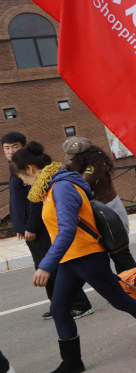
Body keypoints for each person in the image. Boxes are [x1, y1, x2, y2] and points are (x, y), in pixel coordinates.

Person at [11, 142, 136, 373]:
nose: (22, 182)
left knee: (119, 300)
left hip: (87, 256)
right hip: (71, 259)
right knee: (59, 309)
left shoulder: (62, 187)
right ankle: (72, 361)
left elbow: (67, 230)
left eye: (20, 176)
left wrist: (46, 264)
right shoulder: (51, 187)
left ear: (30, 169)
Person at [2, 132, 93, 320]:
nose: (10, 151)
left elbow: (36, 201)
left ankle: (80, 304)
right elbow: (16, 202)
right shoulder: (15, 169)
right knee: (42, 265)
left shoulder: (30, 167)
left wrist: (31, 227)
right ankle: (57, 304)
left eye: (14, 146)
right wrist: (19, 225)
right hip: (27, 229)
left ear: (24, 146)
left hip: (38, 228)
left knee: (54, 265)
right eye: (6, 148)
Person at [62, 137, 136, 273]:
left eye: (73, 158)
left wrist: (64, 173)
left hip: (110, 213)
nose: (70, 161)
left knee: (120, 254)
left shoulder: (95, 166)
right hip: (98, 214)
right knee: (105, 258)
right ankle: (123, 285)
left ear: (83, 156)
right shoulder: (83, 165)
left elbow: (82, 183)